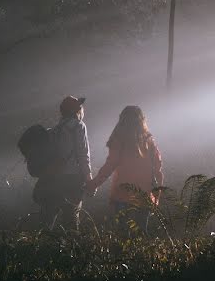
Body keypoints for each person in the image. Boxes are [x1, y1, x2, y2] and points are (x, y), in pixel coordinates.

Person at [87, 105, 163, 233]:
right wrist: (156, 197)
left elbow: (109, 166)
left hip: (122, 195)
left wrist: (94, 184)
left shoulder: (118, 140)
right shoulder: (148, 141)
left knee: (122, 234)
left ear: (122, 120)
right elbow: (158, 170)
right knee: (141, 235)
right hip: (143, 197)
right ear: (142, 120)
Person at [33, 95, 93, 230]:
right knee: (71, 219)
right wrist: (89, 180)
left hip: (55, 178)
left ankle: (41, 246)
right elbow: (83, 155)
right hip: (73, 179)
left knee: (48, 219)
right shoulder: (78, 126)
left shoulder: (53, 131)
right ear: (77, 110)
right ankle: (71, 247)